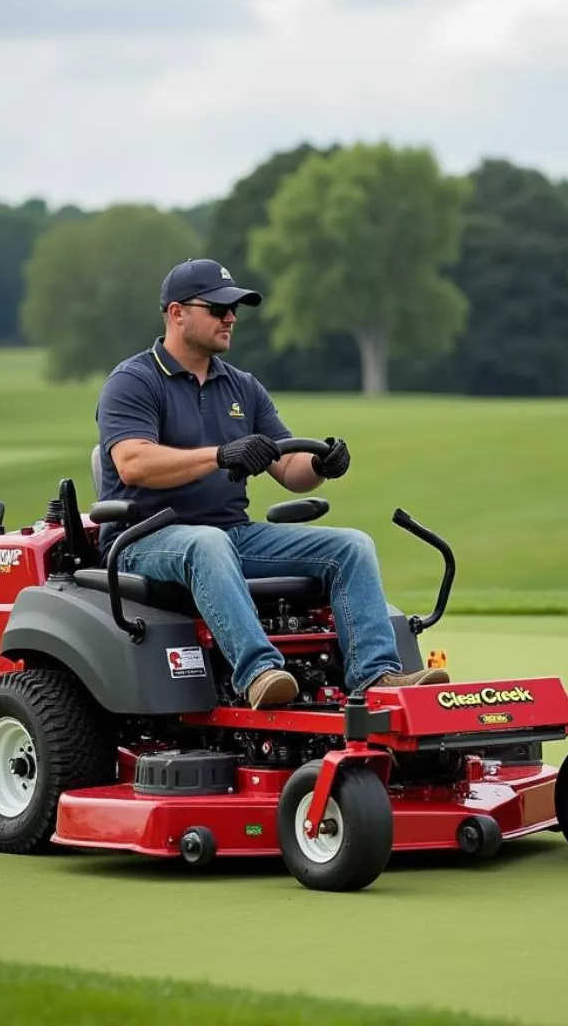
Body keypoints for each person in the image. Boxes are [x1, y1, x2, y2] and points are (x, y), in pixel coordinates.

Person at [94, 257, 450, 708]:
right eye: (218, 308)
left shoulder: (241, 387)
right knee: (207, 544)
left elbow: (290, 470)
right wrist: (221, 455)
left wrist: (321, 464)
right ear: (176, 312)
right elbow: (133, 463)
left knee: (351, 545)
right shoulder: (135, 381)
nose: (231, 318)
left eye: (235, 309)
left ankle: (376, 677)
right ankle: (259, 672)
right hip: (144, 539)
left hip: (232, 535)